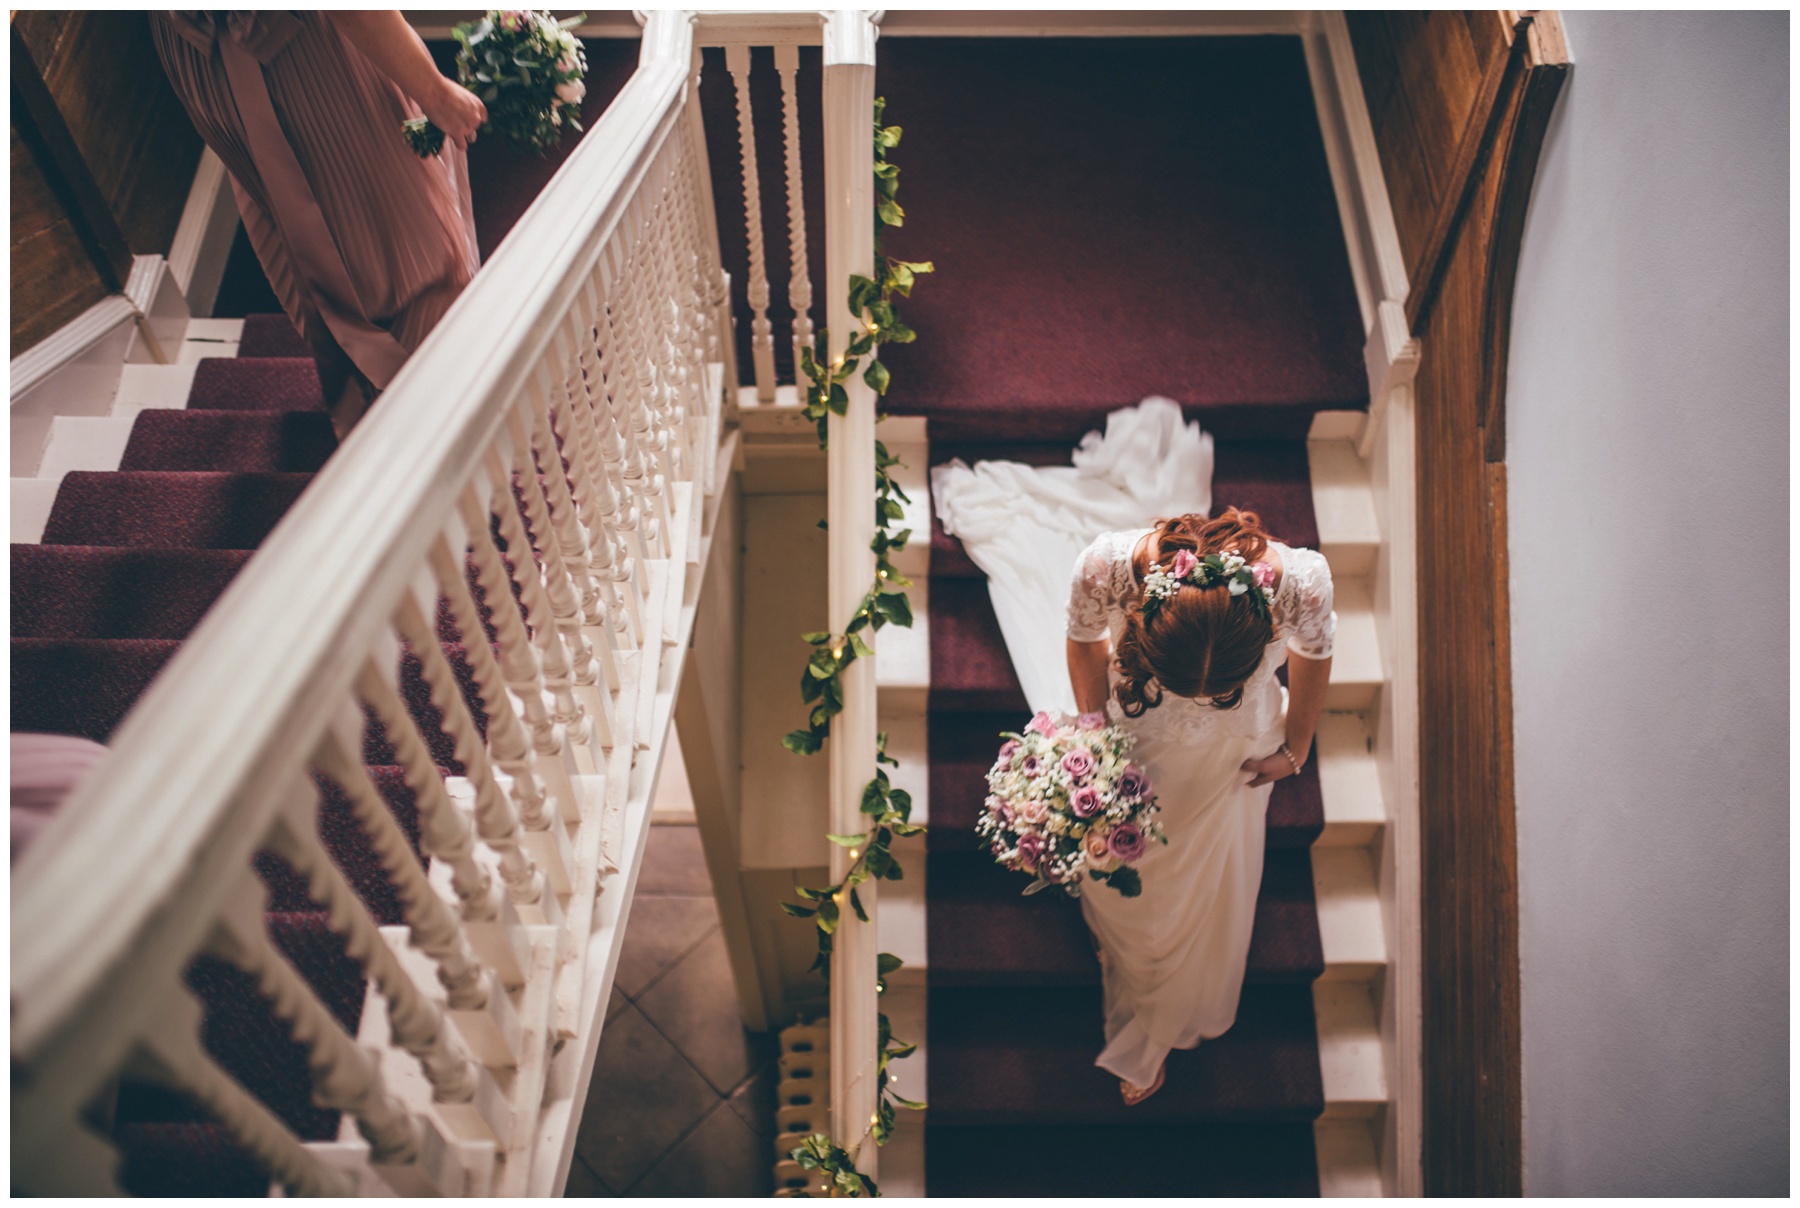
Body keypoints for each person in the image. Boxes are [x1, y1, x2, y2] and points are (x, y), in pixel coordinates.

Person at [931, 398, 1335, 1105]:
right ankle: (1122, 946)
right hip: (1134, 724)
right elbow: (1084, 647)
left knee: (1193, 867)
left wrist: (1295, 749)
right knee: (1127, 854)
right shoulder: (1108, 566)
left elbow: (1312, 662)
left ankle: (1157, 986)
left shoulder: (1300, 582)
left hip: (1232, 752)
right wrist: (1092, 731)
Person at [150, 12, 487, 434]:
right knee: (408, 247)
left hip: (199, 55)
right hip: (290, 48)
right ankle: (439, 425)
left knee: (335, 240)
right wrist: (434, 92)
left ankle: (388, 406)